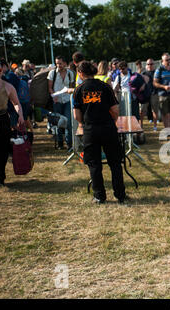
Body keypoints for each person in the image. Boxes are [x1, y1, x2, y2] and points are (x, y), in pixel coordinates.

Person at [73, 61, 126, 204]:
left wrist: (84, 122)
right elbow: (115, 110)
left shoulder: (78, 90)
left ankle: (99, 196)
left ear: (80, 73)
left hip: (90, 129)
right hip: (108, 127)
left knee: (94, 164)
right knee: (115, 163)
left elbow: (76, 116)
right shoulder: (105, 87)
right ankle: (120, 195)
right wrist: (109, 120)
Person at [0, 59, 25, 189]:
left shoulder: (8, 86)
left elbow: (16, 103)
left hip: (2, 120)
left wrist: (20, 114)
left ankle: (0, 177)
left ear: (2, 70)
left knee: (2, 150)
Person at [48, 55, 75, 150]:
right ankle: (60, 144)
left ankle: (69, 144)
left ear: (65, 63)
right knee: (59, 122)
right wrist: (53, 96)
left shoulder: (70, 73)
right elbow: (50, 88)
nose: (58, 65)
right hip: (57, 100)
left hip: (67, 100)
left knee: (68, 122)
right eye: (57, 63)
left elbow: (71, 87)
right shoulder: (52, 73)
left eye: (60, 63)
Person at [154, 52, 170, 129]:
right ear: (162, 61)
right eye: (166, 60)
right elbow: (155, 83)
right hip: (163, 95)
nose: (168, 61)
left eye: (169, 59)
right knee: (165, 114)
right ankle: (167, 130)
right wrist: (164, 87)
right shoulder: (159, 69)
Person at [142, 58, 159, 130]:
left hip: (154, 94)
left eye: (151, 64)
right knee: (142, 111)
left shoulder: (156, 73)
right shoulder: (143, 73)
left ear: (154, 65)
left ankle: (155, 126)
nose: (149, 65)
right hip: (145, 94)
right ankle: (140, 126)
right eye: (148, 64)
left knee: (155, 110)